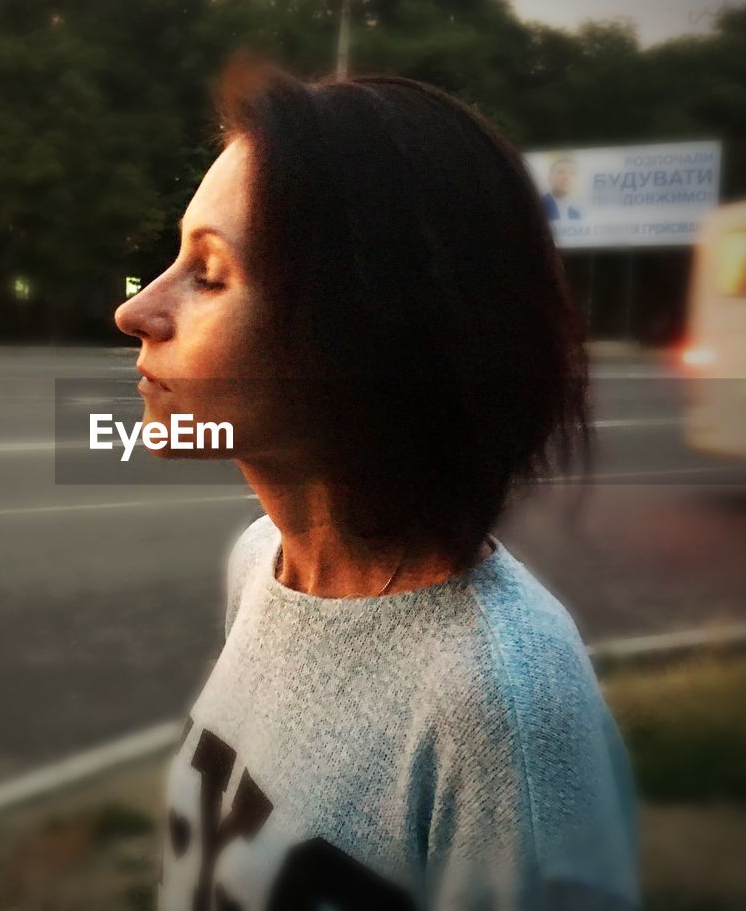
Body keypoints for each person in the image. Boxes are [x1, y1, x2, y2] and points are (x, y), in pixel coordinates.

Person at [114, 60, 638, 910]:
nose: (137, 313)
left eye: (208, 274)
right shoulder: (264, 564)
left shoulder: (507, 709)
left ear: (363, 330)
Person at [541, 155, 583, 221]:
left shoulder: (576, 214)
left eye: (572, 173)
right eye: (561, 172)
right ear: (549, 178)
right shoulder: (539, 206)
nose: (567, 177)